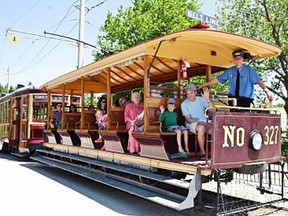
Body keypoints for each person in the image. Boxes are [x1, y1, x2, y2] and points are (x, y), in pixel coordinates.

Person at [203, 50, 273, 107]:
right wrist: (203, 85)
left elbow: (259, 81)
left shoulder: (249, 70)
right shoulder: (229, 71)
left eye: (239, 59)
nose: (238, 61)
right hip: (232, 99)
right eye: (236, 59)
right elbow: (217, 79)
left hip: (246, 100)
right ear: (233, 59)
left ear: (242, 59)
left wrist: (267, 92)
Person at [181, 83, 213, 160]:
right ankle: (202, 152)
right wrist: (202, 122)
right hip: (191, 123)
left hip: (203, 120)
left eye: (191, 93)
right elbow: (188, 120)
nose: (189, 95)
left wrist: (208, 100)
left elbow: (212, 110)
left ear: (195, 92)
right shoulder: (184, 104)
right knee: (201, 128)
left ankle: (216, 152)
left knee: (217, 127)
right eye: (187, 94)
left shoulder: (201, 100)